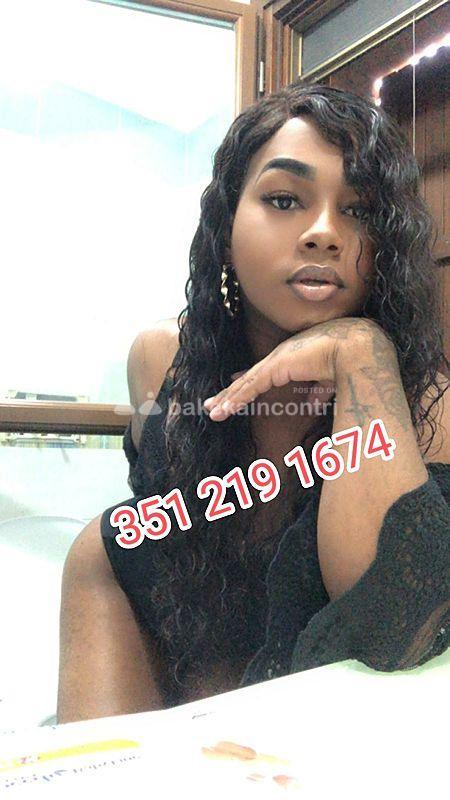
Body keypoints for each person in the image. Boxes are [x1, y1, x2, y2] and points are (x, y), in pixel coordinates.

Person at [57, 82, 450, 724]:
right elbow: (161, 559)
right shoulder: (161, 362)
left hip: (336, 726)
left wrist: (361, 354)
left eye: (359, 210)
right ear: (226, 226)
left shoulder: (421, 398)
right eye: (284, 200)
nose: (324, 233)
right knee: (100, 546)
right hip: (179, 703)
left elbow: (394, 630)